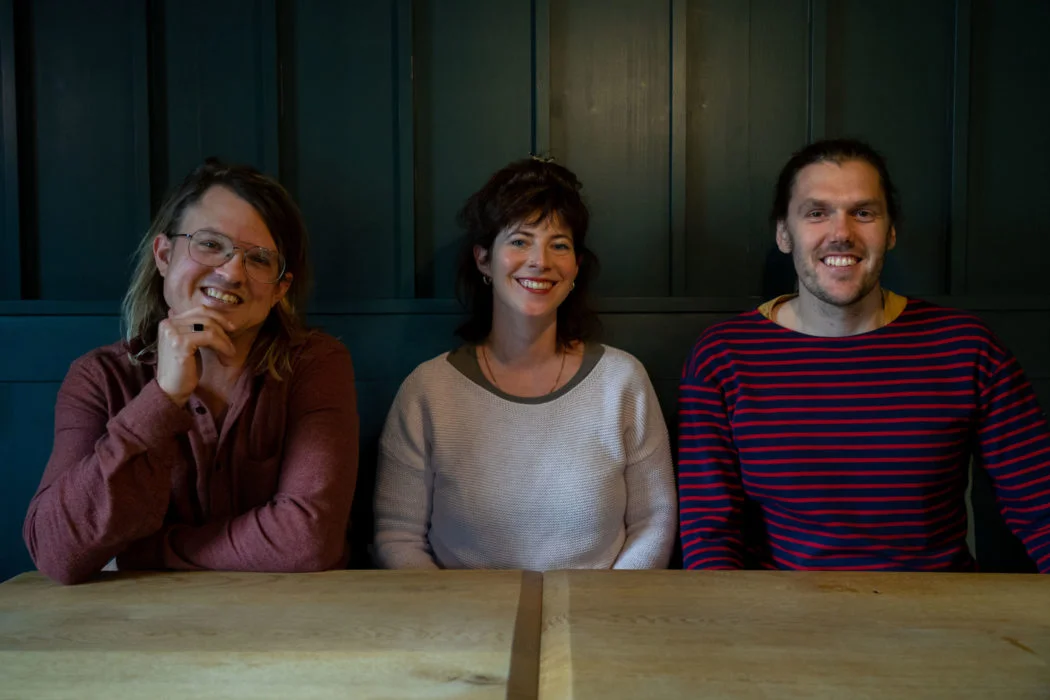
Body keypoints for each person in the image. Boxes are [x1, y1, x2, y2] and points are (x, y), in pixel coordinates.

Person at [678, 138, 1050, 572]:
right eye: (817, 213)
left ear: (890, 232)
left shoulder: (966, 347)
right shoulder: (724, 356)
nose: (841, 233)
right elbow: (709, 532)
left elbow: (1039, 503)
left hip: (938, 618)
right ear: (784, 233)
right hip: (781, 623)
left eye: (863, 213)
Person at [23, 159, 359, 584]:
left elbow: (308, 540)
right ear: (164, 255)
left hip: (286, 624)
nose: (232, 272)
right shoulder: (98, 377)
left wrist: (141, 553)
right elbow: (56, 553)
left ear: (279, 288)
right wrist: (162, 399)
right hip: (133, 630)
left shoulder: (315, 363)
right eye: (210, 243)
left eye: (258, 259)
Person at [374, 157, 676, 570]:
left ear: (575, 268)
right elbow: (397, 533)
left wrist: (603, 610)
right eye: (519, 241)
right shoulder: (428, 389)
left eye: (559, 244)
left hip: (598, 620)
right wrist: (452, 616)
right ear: (484, 259)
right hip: (460, 624)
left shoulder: (623, 381)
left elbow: (653, 521)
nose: (540, 261)